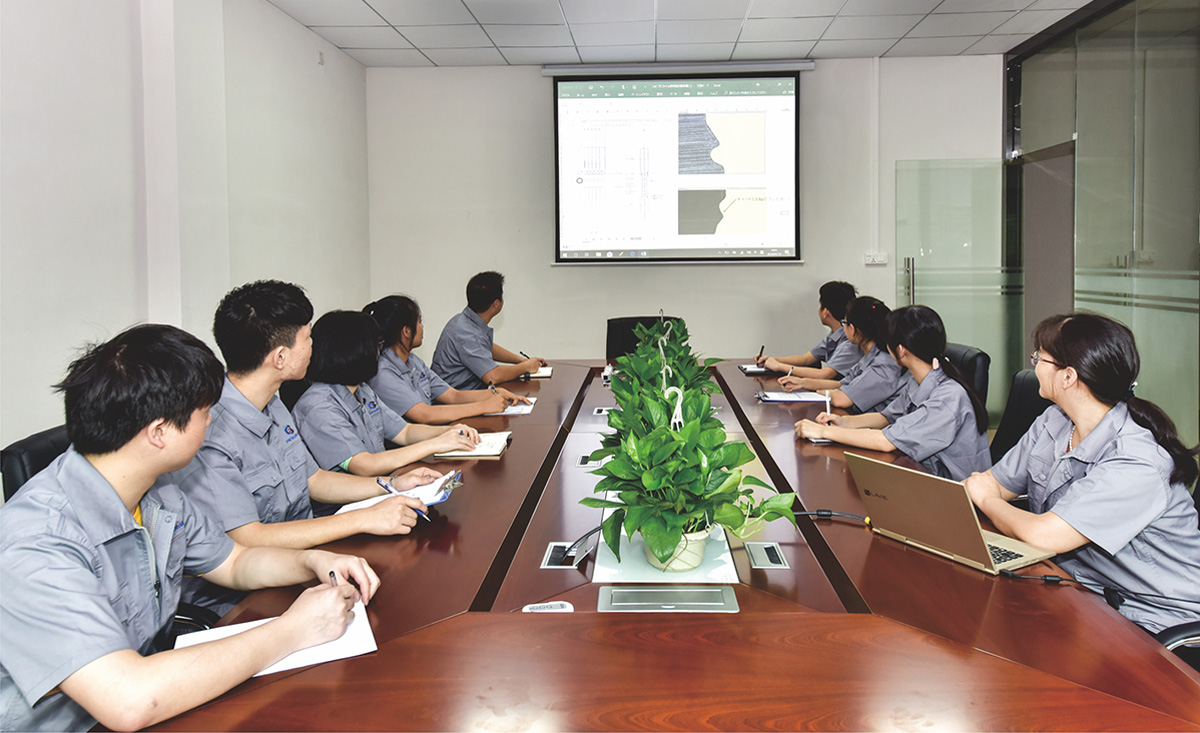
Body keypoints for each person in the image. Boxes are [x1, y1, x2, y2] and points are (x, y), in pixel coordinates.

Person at [0, 324, 379, 732]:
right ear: (159, 432)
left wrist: (310, 561)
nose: (212, 420)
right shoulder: (37, 541)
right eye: (204, 412)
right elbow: (128, 699)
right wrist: (294, 629)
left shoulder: (156, 490)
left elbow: (234, 562)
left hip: (158, 695)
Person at [177, 281, 439, 615]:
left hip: (307, 565)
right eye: (307, 337)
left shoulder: (272, 404)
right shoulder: (210, 431)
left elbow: (314, 479)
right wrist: (363, 518)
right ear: (280, 357)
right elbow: (249, 539)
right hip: (242, 601)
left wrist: (390, 485)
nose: (314, 344)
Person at [964, 313, 1200, 649]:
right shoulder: (1055, 421)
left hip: (1155, 621)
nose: (1034, 365)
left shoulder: (1137, 461)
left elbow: (1039, 532)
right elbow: (996, 482)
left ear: (1068, 377)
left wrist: (988, 501)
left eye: (1039, 357)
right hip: (1084, 594)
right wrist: (990, 493)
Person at [796, 305, 991, 481]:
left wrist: (823, 432)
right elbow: (886, 417)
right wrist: (845, 422)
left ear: (901, 350)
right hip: (920, 474)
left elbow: (886, 441)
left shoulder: (948, 397)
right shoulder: (920, 379)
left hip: (953, 492)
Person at [293, 310, 481, 474]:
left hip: (382, 483)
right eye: (377, 344)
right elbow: (365, 465)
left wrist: (450, 431)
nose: (380, 352)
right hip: (355, 498)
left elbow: (405, 432)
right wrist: (435, 444)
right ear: (354, 350)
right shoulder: (319, 406)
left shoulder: (361, 389)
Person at [365, 295, 529, 424]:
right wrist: (484, 406)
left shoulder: (413, 361)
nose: (422, 327)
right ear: (406, 331)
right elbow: (425, 414)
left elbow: (453, 396)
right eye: (419, 321)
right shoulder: (383, 373)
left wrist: (493, 394)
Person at [777, 296, 906, 414]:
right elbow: (842, 384)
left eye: (844, 322)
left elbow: (842, 399)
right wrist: (802, 383)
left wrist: (824, 392)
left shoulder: (884, 363)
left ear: (852, 329)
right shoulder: (870, 355)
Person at [430, 271, 546, 390]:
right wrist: (525, 367)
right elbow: (493, 376)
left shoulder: (462, 321)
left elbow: (484, 348)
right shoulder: (469, 335)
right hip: (455, 397)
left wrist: (522, 361)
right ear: (496, 304)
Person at [755, 281, 863, 380]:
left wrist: (779, 366)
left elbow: (824, 374)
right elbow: (805, 359)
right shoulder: (834, 335)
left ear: (825, 312)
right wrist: (771, 360)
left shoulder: (850, 342)